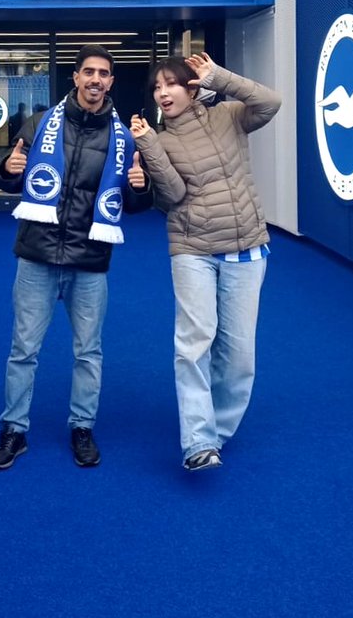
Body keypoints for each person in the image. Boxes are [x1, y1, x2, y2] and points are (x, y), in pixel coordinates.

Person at [0, 45, 151, 470]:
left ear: (111, 81)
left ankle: (82, 427)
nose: (96, 79)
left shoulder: (124, 138)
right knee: (23, 349)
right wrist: (8, 169)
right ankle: (13, 431)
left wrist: (138, 186)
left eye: (104, 73)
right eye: (88, 72)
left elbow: (133, 204)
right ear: (75, 78)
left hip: (90, 261)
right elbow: (8, 177)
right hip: (37, 256)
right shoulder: (41, 122)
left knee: (88, 352)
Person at [129, 52, 281, 471]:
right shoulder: (160, 140)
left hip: (247, 249)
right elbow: (173, 195)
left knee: (238, 356)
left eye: (170, 84)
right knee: (194, 345)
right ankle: (198, 442)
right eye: (156, 88)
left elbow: (270, 102)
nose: (162, 94)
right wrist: (148, 146)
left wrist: (220, 77)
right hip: (192, 249)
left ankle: (217, 431)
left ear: (191, 86)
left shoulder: (229, 115)